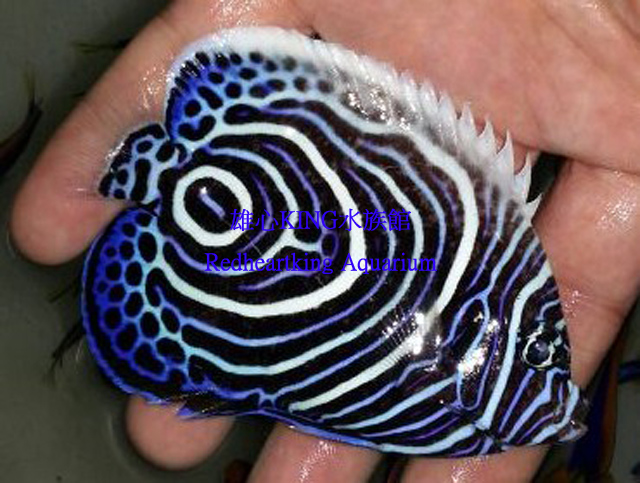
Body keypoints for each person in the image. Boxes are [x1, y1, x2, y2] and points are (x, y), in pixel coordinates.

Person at [10, 1, 640, 481]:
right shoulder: (474, 367)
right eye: (538, 354)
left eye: (541, 361)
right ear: (482, 327)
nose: (558, 396)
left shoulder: (460, 403)